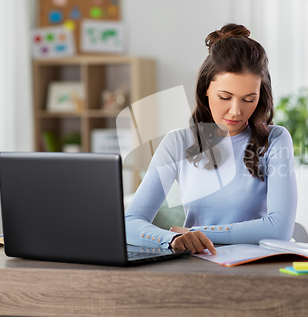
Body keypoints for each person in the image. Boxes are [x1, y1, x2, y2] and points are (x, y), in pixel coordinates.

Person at [125, 23, 297, 255]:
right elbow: (130, 221)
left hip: (258, 266)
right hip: (199, 265)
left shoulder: (275, 140)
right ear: (206, 89)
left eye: (249, 99)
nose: (236, 111)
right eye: (225, 97)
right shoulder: (177, 143)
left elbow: (280, 229)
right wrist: (173, 238)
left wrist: (197, 232)